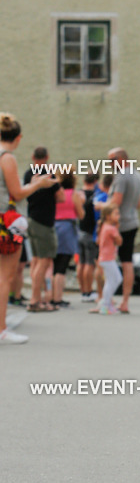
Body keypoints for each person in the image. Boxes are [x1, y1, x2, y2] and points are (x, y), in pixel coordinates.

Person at [0, 114, 59, 343]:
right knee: (5, 278)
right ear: (19, 138)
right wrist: (39, 184)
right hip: (6, 220)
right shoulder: (8, 158)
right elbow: (16, 193)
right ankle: (2, 328)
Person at [23, 146, 63, 312]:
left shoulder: (28, 173)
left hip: (31, 219)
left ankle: (37, 298)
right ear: (47, 157)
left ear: (33, 156)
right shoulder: (49, 173)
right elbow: (61, 197)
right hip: (44, 222)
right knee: (45, 260)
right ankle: (35, 299)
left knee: (36, 261)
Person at [108, 148, 140, 313]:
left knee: (106, 260)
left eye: (112, 160)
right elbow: (139, 204)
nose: (110, 163)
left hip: (118, 225)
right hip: (133, 221)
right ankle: (125, 301)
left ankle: (107, 299)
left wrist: (100, 205)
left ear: (121, 159)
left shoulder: (121, 176)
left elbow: (116, 201)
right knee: (127, 261)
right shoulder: (137, 175)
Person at [52, 168, 84, 307]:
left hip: (53, 226)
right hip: (67, 228)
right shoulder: (74, 194)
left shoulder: (54, 193)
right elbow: (81, 214)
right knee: (62, 265)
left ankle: (50, 295)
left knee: (52, 264)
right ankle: (58, 298)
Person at [90, 202, 122, 315]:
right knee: (116, 279)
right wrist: (117, 228)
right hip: (108, 258)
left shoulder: (104, 226)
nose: (119, 216)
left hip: (104, 257)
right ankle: (106, 303)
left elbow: (99, 241)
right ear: (108, 216)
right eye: (116, 214)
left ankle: (106, 303)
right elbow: (119, 241)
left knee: (110, 280)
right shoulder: (111, 229)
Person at [76, 172, 99, 302]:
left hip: (80, 230)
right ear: (96, 181)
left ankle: (82, 290)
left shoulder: (79, 194)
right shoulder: (95, 195)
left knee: (81, 262)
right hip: (91, 232)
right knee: (90, 264)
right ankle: (89, 291)